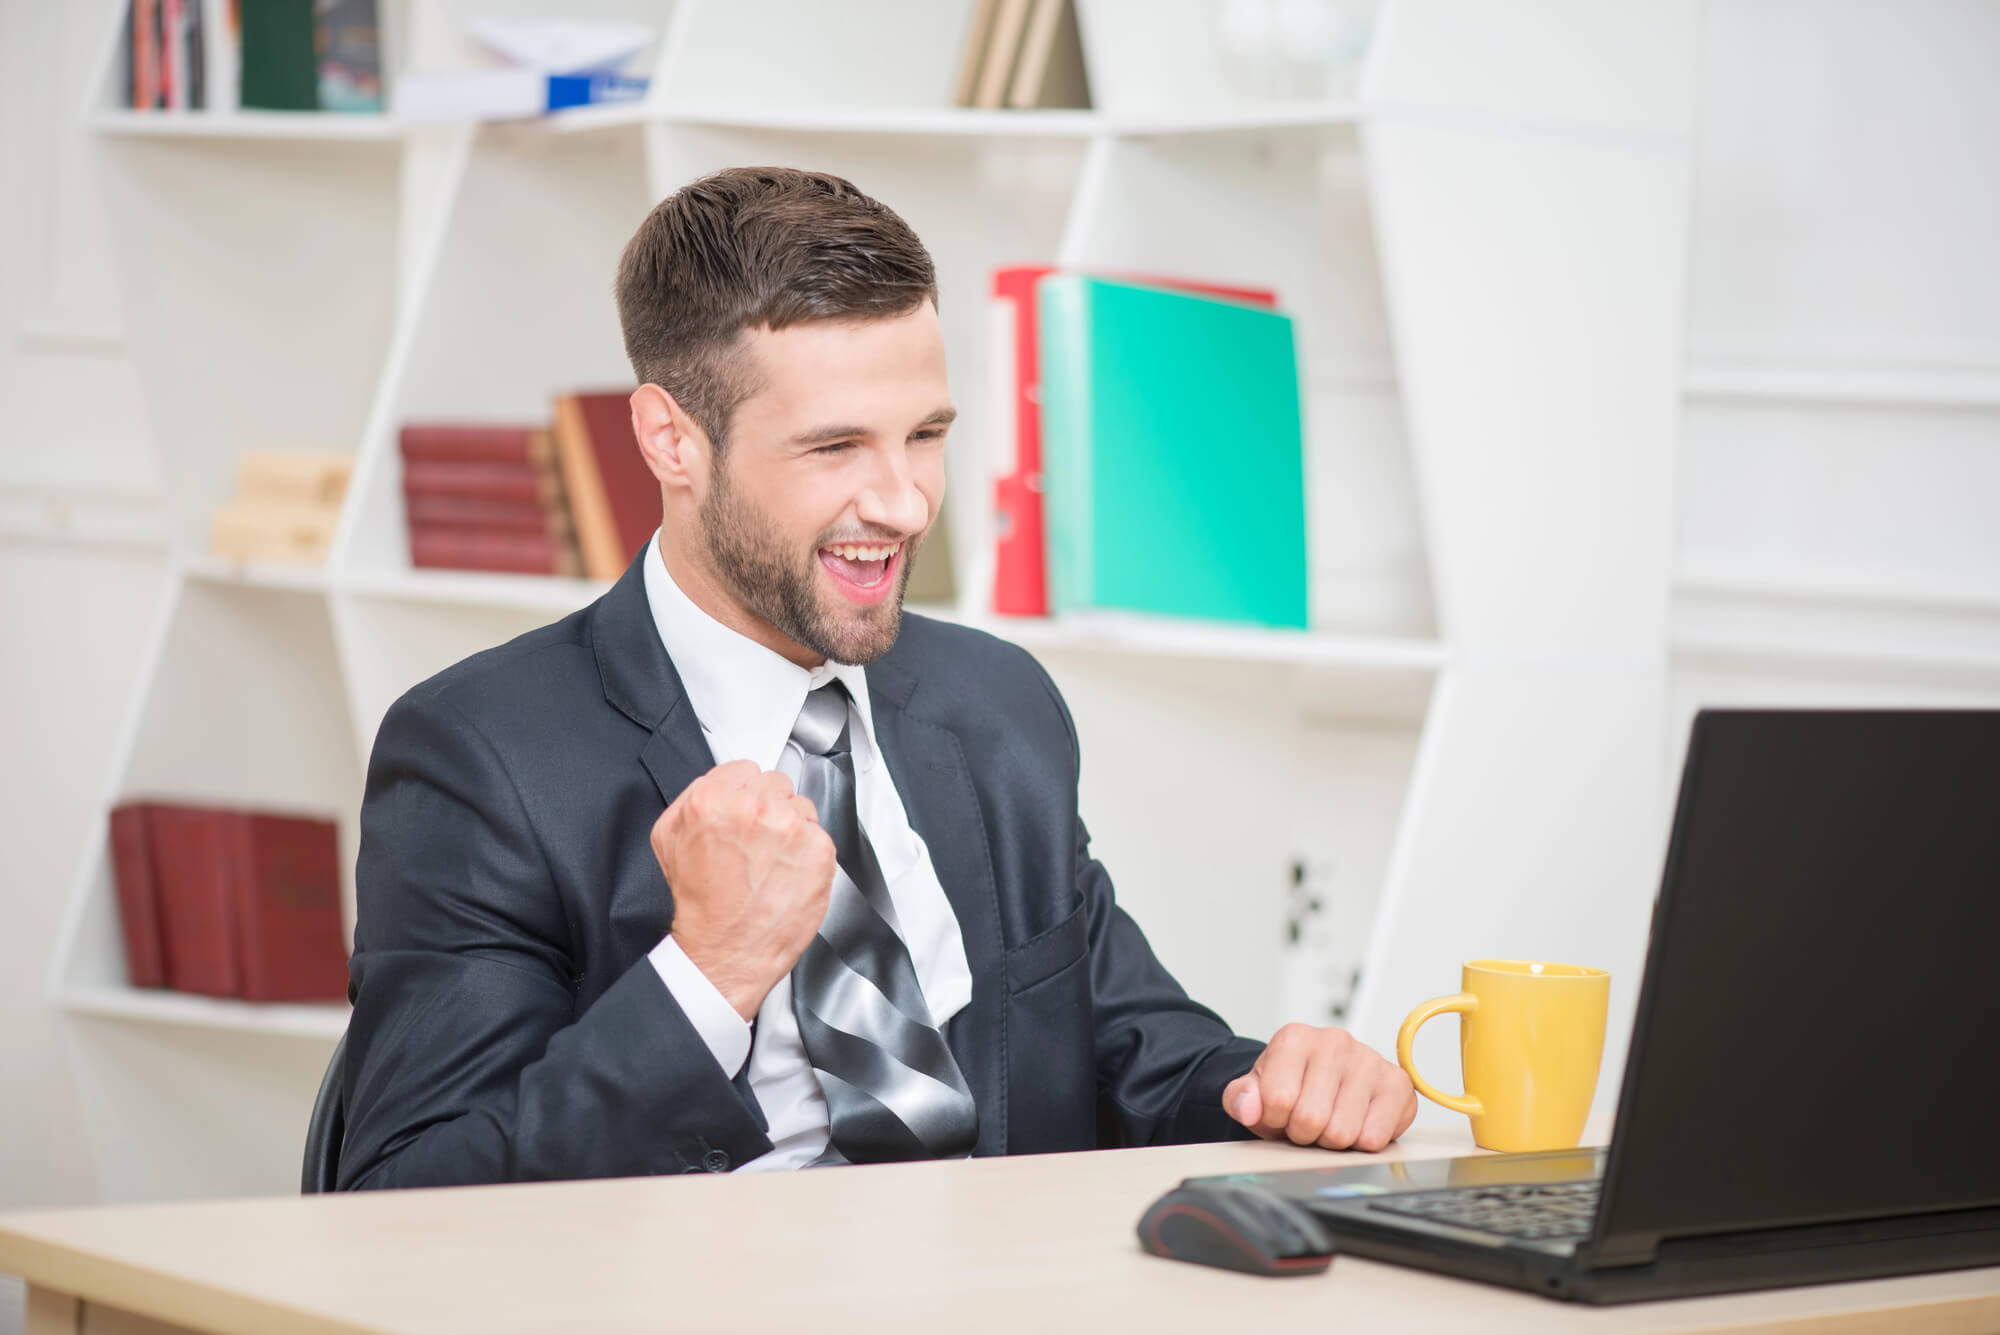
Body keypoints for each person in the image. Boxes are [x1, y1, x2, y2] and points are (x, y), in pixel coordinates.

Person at [336, 166, 1417, 1188]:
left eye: (926, 435)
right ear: (671, 440)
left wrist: (1277, 1086)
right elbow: (410, 1193)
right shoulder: (485, 752)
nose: (902, 503)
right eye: (834, 447)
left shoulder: (993, 706)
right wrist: (706, 975)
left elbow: (1133, 1049)